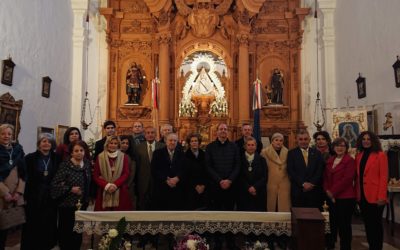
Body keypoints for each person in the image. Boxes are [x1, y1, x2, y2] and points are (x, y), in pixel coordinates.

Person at [21, 133, 61, 250]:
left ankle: (47, 246)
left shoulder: (57, 158)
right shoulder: (30, 158)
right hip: (34, 195)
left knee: (48, 224)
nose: (46, 143)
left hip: (51, 196)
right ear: (39, 144)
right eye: (43, 141)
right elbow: (24, 177)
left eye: (49, 141)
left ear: (52, 144)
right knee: (32, 223)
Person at [51, 140, 91, 250]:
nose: (79, 153)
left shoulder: (87, 163)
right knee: (66, 231)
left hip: (81, 204)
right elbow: (55, 185)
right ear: (72, 153)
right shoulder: (65, 165)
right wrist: (70, 189)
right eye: (76, 151)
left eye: (81, 150)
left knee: (78, 230)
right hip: (66, 204)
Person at [205, 123, 240, 250]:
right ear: (217, 132)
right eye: (221, 129)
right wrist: (220, 180)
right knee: (216, 215)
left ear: (228, 132)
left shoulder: (234, 147)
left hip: (231, 187)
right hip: (215, 187)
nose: (223, 131)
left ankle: (230, 241)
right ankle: (217, 242)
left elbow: (237, 165)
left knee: (230, 215)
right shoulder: (210, 147)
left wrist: (229, 180)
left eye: (225, 129)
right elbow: (208, 166)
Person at [355, 131, 388, 250]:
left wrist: (382, 197)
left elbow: (384, 177)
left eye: (368, 139)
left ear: (373, 141)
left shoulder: (380, 155)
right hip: (362, 196)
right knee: (368, 225)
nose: (366, 141)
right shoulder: (359, 155)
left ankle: (377, 247)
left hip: (376, 196)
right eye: (364, 139)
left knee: (376, 225)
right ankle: (371, 246)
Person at [323, 137, 356, 250]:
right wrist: (328, 191)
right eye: (337, 145)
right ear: (333, 147)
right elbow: (325, 178)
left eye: (342, 146)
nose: (339, 148)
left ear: (346, 148)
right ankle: (331, 246)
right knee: (332, 225)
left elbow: (347, 179)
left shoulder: (350, 160)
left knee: (344, 226)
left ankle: (345, 247)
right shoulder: (330, 160)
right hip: (331, 197)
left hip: (345, 198)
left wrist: (332, 192)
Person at [0, 124, 26, 249]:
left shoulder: (18, 150)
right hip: (1, 196)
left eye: (9, 134)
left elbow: (24, 173)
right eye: (3, 133)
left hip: (14, 195)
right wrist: (5, 192)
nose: (6, 136)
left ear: (13, 135)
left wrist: (19, 192)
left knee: (6, 229)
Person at [287, 129, 324, 208]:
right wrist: (303, 184)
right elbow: (291, 171)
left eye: (305, 139)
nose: (303, 141)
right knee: (299, 217)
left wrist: (311, 184)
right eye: (300, 139)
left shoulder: (317, 153)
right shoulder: (291, 153)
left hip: (314, 191)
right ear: (296, 140)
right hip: (298, 191)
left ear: (309, 140)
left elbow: (320, 170)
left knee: (314, 217)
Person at [93, 136, 132, 211]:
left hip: (119, 189)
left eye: (115, 143)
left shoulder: (124, 157)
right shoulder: (100, 157)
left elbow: (126, 173)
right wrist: (107, 185)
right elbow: (96, 175)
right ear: (107, 144)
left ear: (118, 145)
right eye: (111, 143)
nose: (113, 145)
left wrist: (115, 185)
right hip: (104, 189)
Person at [133, 126, 164, 210]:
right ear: (145, 135)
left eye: (152, 132)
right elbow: (137, 165)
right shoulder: (138, 147)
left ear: (156, 134)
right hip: (143, 180)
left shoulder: (162, 146)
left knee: (157, 203)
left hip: (158, 180)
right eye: (148, 133)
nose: (150, 135)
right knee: (143, 204)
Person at [151, 133, 185, 210]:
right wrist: (166, 179)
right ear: (166, 141)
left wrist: (177, 178)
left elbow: (184, 169)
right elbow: (154, 169)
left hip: (177, 188)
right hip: (161, 188)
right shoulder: (157, 153)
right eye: (170, 140)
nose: (172, 142)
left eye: (175, 141)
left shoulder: (182, 153)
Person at [261, 133, 290, 212]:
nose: (278, 142)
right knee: (271, 206)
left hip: (284, 184)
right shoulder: (264, 152)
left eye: (281, 140)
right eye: (276, 140)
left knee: (283, 207)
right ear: (272, 141)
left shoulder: (288, 152)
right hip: (270, 182)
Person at [237, 137, 267, 211]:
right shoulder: (239, 159)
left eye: (253, 145)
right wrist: (248, 187)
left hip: (258, 192)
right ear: (245, 146)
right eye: (249, 145)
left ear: (256, 146)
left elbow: (265, 176)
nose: (251, 147)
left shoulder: (262, 159)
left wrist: (255, 187)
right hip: (243, 192)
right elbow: (239, 176)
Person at [182, 133, 208, 210]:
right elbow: (185, 173)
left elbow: (207, 171)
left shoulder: (204, 154)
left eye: (196, 141)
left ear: (199, 142)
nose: (194, 142)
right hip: (190, 188)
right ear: (189, 143)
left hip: (204, 187)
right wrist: (195, 186)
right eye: (192, 141)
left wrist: (203, 185)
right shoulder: (185, 156)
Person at [120, 135, 136, 208]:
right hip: (115, 185)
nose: (125, 145)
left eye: (127, 143)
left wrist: (127, 185)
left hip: (127, 186)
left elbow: (132, 173)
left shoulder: (131, 157)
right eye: (123, 143)